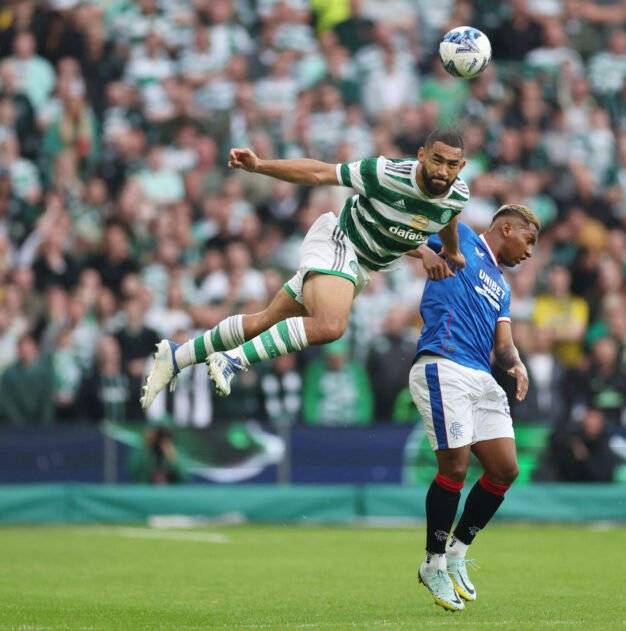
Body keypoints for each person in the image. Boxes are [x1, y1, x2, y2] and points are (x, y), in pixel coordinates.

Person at [140, 128, 470, 409]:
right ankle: (233, 360)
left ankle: (177, 357)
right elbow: (319, 173)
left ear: (462, 167)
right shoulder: (386, 173)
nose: (442, 170)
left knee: (263, 322)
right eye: (437, 160)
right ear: (421, 155)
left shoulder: (457, 197)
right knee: (331, 326)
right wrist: (260, 166)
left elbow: (443, 218)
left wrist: (448, 251)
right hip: (338, 242)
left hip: (357, 268)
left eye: (452, 164)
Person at [409, 204, 539, 611]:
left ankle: (457, 552)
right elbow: (398, 234)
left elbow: (503, 345)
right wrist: (425, 252)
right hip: (443, 362)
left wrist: (516, 364)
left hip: (481, 376)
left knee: (505, 469)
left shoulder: (501, 286)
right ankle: (432, 563)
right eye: (528, 240)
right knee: (455, 468)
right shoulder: (460, 237)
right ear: (506, 228)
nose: (530, 252)